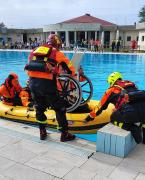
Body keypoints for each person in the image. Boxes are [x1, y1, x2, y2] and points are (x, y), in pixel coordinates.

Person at [24, 33, 76, 141]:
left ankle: (42, 132)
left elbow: (29, 68)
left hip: (33, 84)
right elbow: (71, 69)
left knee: (39, 108)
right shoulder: (55, 52)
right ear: (57, 43)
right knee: (60, 108)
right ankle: (64, 134)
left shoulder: (34, 51)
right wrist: (70, 74)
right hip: (47, 85)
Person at [84, 72, 145, 144]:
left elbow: (100, 107)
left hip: (130, 114)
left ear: (112, 81)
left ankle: (132, 128)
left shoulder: (111, 90)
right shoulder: (131, 84)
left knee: (113, 118)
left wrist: (89, 117)